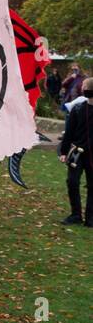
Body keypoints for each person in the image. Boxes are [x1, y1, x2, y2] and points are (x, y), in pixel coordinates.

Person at [59, 77, 93, 226]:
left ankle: (90, 218)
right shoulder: (78, 108)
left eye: (84, 86)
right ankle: (76, 214)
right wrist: (64, 152)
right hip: (77, 154)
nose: (81, 88)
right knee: (72, 182)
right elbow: (69, 133)